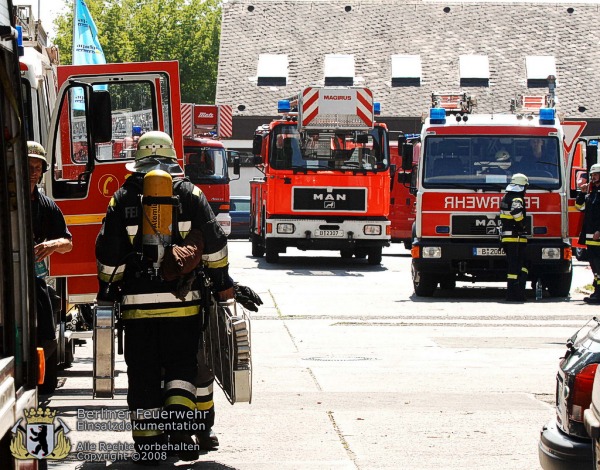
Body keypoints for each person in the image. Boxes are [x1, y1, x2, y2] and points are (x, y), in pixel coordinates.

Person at [95, 131, 260, 465]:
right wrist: (222, 281)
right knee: (181, 370)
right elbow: (216, 246)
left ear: (137, 160)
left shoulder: (122, 198)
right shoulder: (191, 193)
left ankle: (147, 445)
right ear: (173, 158)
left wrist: (108, 290)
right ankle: (182, 436)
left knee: (142, 374)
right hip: (183, 305)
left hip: (137, 310)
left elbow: (108, 257)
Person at [28, 141, 73, 393]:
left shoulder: (45, 205)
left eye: (38, 167)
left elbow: (68, 243)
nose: (33, 172)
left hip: (35, 281)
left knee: (46, 329)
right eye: (29, 166)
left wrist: (53, 243)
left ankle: (43, 383)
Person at [500, 173, 529, 302]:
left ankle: (512, 293)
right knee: (519, 265)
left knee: (513, 266)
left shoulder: (505, 197)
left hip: (506, 237)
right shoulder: (517, 199)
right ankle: (517, 293)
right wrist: (522, 226)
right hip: (516, 237)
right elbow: (517, 213)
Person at [575, 164, 600, 303]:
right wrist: (582, 193)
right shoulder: (592, 193)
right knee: (595, 266)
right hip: (590, 237)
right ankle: (597, 291)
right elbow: (580, 207)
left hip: (598, 236)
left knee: (599, 266)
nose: (593, 177)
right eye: (592, 175)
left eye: (596, 174)